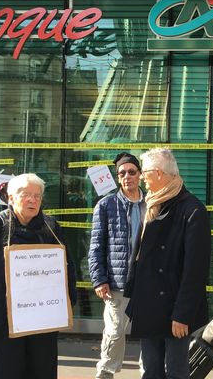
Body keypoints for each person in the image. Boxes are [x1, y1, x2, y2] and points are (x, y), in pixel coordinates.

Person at [0, 173, 77, 379]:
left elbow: (67, 267)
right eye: (26, 194)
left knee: (41, 371)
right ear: (11, 198)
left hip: (43, 317)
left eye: (38, 195)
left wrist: (67, 303)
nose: (33, 200)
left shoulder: (51, 227)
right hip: (1, 319)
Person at [124, 148, 211, 379]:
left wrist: (182, 314)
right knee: (151, 371)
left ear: (160, 174)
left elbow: (195, 270)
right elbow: (140, 256)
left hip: (174, 309)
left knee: (176, 372)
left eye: (145, 172)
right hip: (149, 304)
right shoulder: (151, 204)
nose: (142, 177)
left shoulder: (192, 210)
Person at [88, 152, 146, 379]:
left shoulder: (153, 204)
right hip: (117, 282)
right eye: (122, 173)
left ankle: (148, 371)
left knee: (150, 333)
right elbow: (96, 247)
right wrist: (99, 279)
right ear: (117, 177)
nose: (127, 177)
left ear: (140, 175)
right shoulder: (106, 205)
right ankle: (106, 372)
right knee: (114, 332)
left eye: (132, 172)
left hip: (148, 282)